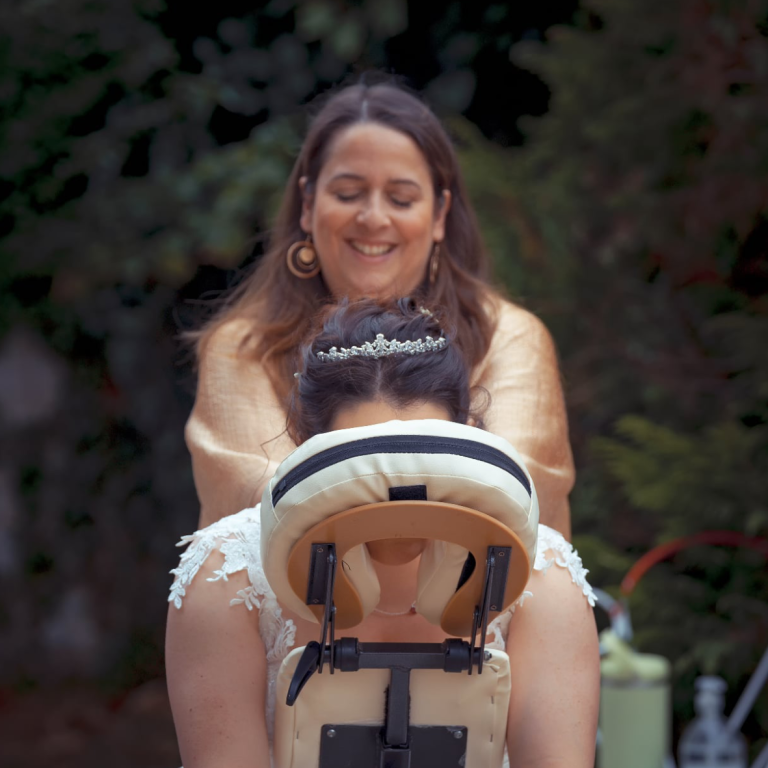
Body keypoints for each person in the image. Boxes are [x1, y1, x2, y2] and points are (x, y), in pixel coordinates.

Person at [167, 299, 600, 768]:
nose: (397, 494)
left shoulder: (543, 575)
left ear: (468, 436)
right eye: (367, 467)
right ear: (305, 447)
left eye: (422, 458)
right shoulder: (227, 575)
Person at [186, 79, 575, 539]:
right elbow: (259, 499)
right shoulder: (243, 346)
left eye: (401, 199)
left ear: (439, 215)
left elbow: (510, 490)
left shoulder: (508, 336)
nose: (373, 218)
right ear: (308, 204)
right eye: (348, 194)